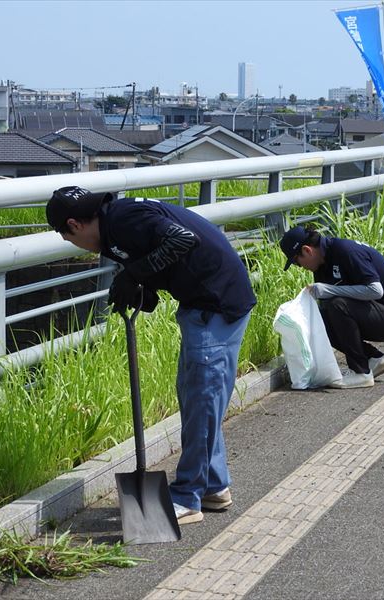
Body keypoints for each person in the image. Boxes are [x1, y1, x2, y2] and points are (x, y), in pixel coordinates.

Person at [46, 186, 256, 526]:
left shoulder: (124, 220)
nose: (75, 245)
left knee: (203, 399)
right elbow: (162, 250)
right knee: (195, 396)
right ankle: (214, 486)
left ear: (74, 224)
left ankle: (187, 497)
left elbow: (182, 240)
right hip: (201, 302)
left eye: (69, 238)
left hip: (216, 304)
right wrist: (146, 281)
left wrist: (135, 274)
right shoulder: (115, 224)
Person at [279, 225, 384, 389]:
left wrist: (329, 290)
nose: (300, 267)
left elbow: (376, 290)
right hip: (377, 313)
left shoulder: (344, 250)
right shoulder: (322, 264)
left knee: (338, 305)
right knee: (321, 318)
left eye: (297, 263)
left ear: (307, 251)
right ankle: (374, 359)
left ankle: (360, 372)